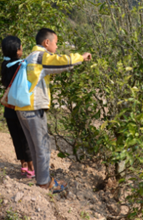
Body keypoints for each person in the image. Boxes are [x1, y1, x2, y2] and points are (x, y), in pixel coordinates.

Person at [16, 28, 92, 193]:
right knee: (42, 147)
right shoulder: (42, 56)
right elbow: (62, 61)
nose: (56, 47)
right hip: (33, 108)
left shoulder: (30, 57)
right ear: (46, 43)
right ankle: (44, 183)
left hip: (21, 109)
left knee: (35, 146)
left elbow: (52, 69)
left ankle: (41, 180)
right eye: (56, 43)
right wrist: (82, 57)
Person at [1, 36, 34, 178]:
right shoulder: (22, 65)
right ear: (18, 51)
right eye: (20, 47)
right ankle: (32, 167)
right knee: (26, 137)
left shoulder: (4, 64)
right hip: (21, 107)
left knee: (16, 137)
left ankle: (23, 165)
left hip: (9, 107)